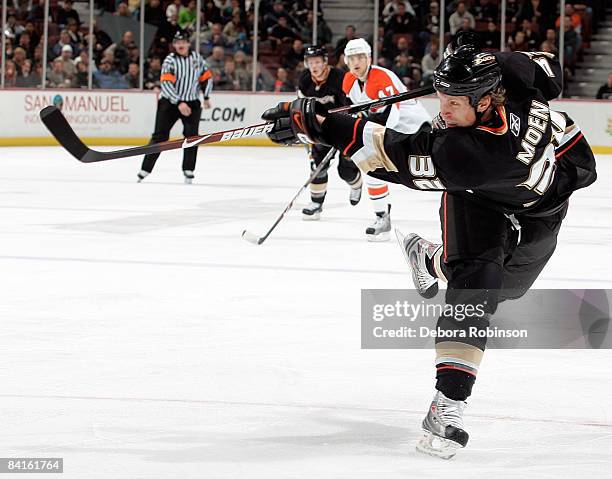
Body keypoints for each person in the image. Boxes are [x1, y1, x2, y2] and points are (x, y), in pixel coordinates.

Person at [261, 39, 597, 458]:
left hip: (543, 205)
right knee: (477, 290)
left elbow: (390, 153)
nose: (443, 112)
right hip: (478, 199)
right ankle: (448, 407)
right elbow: (392, 151)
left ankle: (430, 259)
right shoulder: (481, 120)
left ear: (489, 98)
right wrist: (318, 124)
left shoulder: (481, 139)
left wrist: (318, 125)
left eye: (454, 102)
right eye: (441, 97)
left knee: (511, 287)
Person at [341, 38, 431, 241]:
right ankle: (382, 217)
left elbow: (390, 117)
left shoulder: (381, 78)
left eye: (361, 57)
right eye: (352, 58)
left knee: (435, 173)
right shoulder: (348, 81)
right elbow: (355, 109)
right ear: (346, 61)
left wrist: (359, 128)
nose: (357, 62)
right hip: (389, 128)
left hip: (415, 129)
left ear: (369, 58)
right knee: (371, 166)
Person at [137, 30, 213, 184]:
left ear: (188, 43)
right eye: (177, 42)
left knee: (192, 137)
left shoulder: (197, 59)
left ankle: (188, 169)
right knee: (160, 137)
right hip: (170, 103)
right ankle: (145, 169)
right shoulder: (169, 60)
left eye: (183, 42)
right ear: (174, 45)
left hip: (191, 103)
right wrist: (179, 103)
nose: (180, 45)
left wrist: (206, 96)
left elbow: (207, 78)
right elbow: (166, 84)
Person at [297, 45, 362, 220]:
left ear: (325, 62)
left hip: (345, 127)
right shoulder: (305, 80)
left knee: (346, 170)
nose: (314, 66)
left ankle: (356, 185)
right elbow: (301, 107)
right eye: (311, 62)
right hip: (320, 130)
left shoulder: (340, 77)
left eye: (317, 62)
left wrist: (347, 120)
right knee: (318, 167)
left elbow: (354, 103)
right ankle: (316, 204)